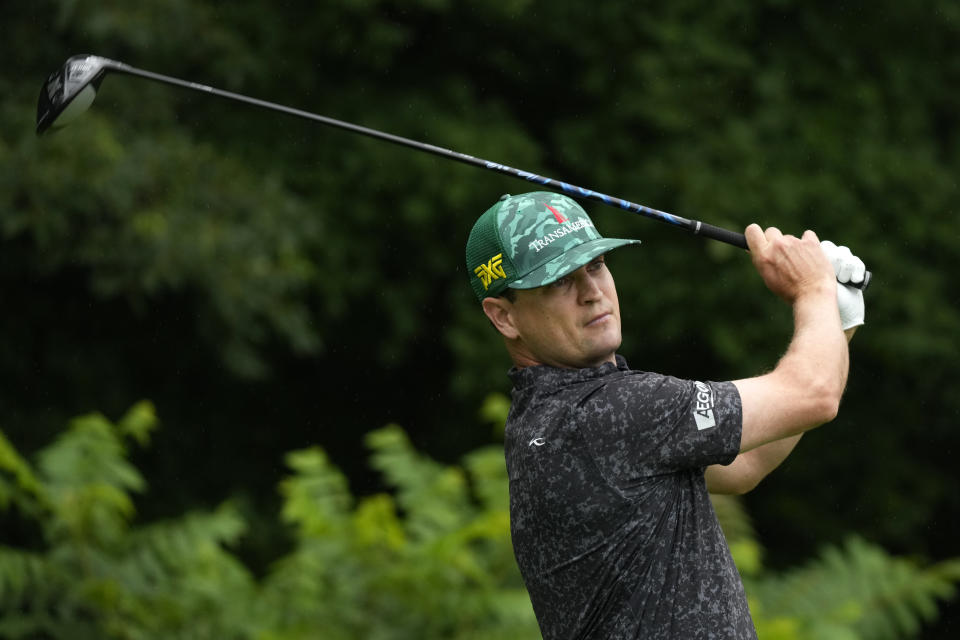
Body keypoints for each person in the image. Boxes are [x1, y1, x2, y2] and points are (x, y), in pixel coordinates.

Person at [464, 191, 866, 639]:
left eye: (595, 265)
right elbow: (814, 394)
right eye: (559, 281)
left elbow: (742, 467)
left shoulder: (546, 419)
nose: (592, 293)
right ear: (504, 317)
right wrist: (812, 290)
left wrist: (837, 320)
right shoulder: (610, 412)